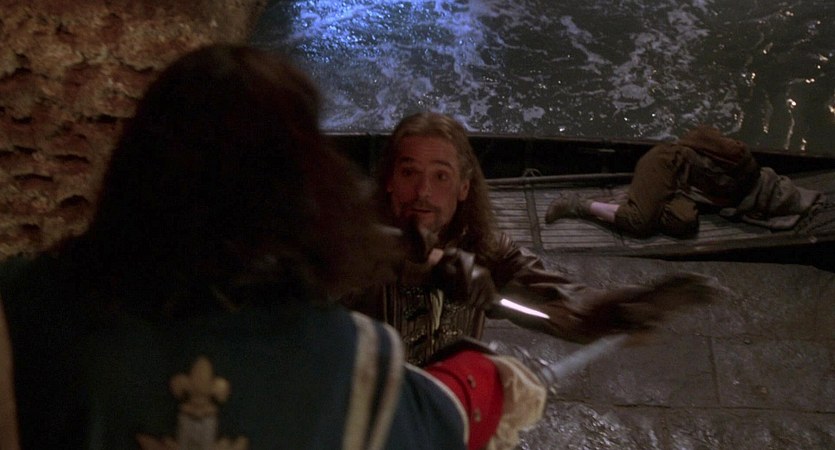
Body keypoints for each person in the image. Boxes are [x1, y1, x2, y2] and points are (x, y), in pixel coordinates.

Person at [0, 45, 546, 450]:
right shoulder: (349, 360)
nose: (423, 191)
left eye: (440, 176)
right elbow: (440, 417)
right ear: (295, 187)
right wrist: (486, 377)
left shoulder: (22, 311)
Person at [343, 111, 719, 366]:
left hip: (447, 412)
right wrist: (432, 263)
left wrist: (618, 311)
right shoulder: (351, 243)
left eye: (441, 176)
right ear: (389, 180)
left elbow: (562, 305)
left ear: (463, 188)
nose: (423, 191)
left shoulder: (488, 252)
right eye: (409, 173)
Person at [544, 126, 823, 237]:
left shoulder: (746, 173)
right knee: (638, 222)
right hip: (665, 165)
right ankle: (577, 204)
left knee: (684, 222)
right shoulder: (738, 171)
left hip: (686, 183)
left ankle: (645, 198)